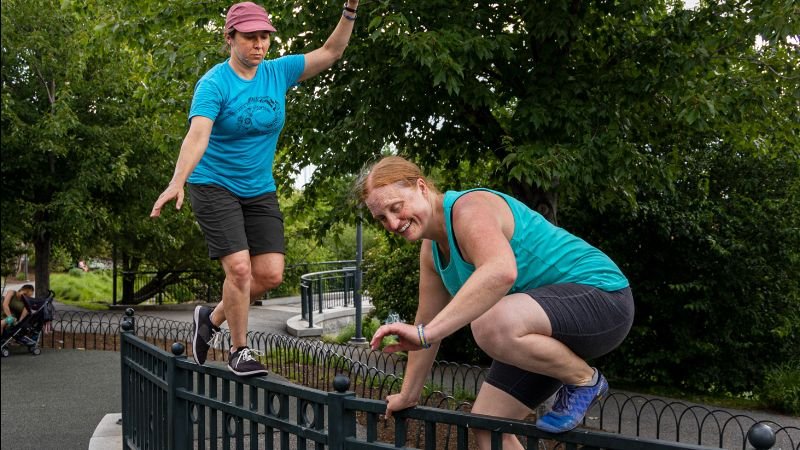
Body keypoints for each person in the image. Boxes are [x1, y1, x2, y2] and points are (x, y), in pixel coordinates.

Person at [356, 156, 635, 443]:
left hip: (602, 298)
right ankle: (577, 377)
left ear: (422, 187)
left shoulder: (469, 209)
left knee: (489, 323)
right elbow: (425, 323)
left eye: (396, 208)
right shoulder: (431, 252)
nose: (391, 223)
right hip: (539, 330)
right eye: (381, 218)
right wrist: (408, 394)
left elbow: (500, 271)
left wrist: (427, 333)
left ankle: (584, 380)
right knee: (487, 424)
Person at [150, 1, 360, 377]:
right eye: (250, 37)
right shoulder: (214, 84)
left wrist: (349, 10)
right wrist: (177, 180)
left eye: (264, 37)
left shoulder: (278, 73)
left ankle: (210, 318)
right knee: (240, 270)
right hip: (212, 183)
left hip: (258, 187)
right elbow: (197, 135)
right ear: (230, 38)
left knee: (270, 275)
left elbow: (332, 51)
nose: (259, 44)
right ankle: (240, 350)